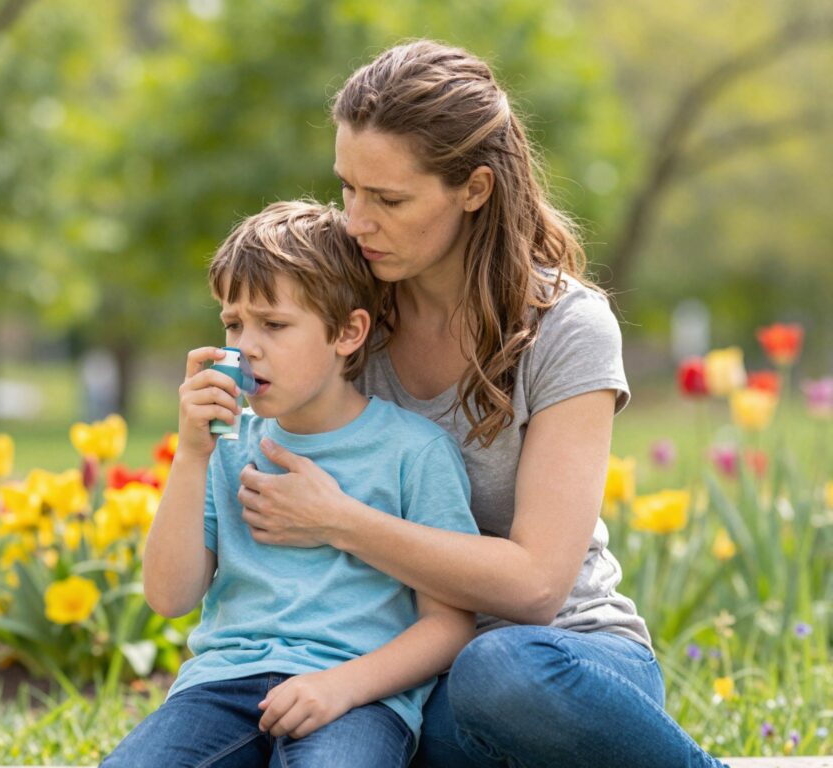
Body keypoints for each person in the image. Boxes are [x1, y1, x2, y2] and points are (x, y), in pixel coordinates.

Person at [235, 41, 728, 768]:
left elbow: (535, 586)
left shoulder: (567, 327)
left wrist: (341, 522)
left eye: (389, 199)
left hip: (561, 665)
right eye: (348, 189)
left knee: (497, 670)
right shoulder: (348, 321)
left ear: (474, 188)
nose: (355, 222)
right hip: (409, 676)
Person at [101, 200, 480, 768]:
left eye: (274, 325)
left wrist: (341, 687)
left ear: (348, 332)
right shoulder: (224, 446)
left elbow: (450, 624)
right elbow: (169, 596)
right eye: (234, 323)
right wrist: (190, 456)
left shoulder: (414, 452)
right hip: (221, 688)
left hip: (356, 697)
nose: (246, 346)